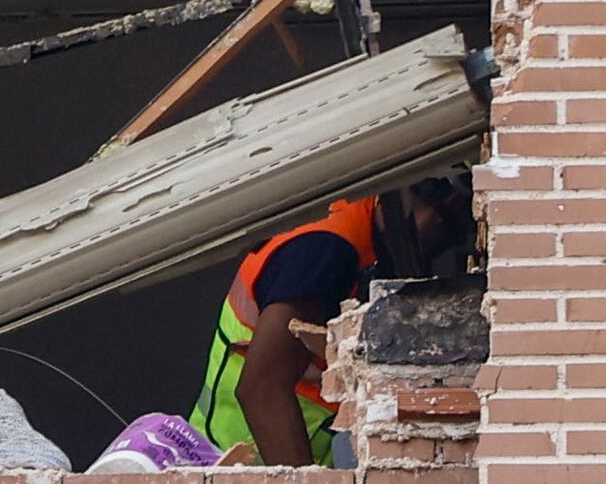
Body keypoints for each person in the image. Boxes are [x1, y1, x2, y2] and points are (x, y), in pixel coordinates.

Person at [192, 174, 473, 465]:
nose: (435, 236)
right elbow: (261, 389)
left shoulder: (366, 240)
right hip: (237, 468)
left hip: (269, 465)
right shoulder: (325, 250)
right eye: (442, 220)